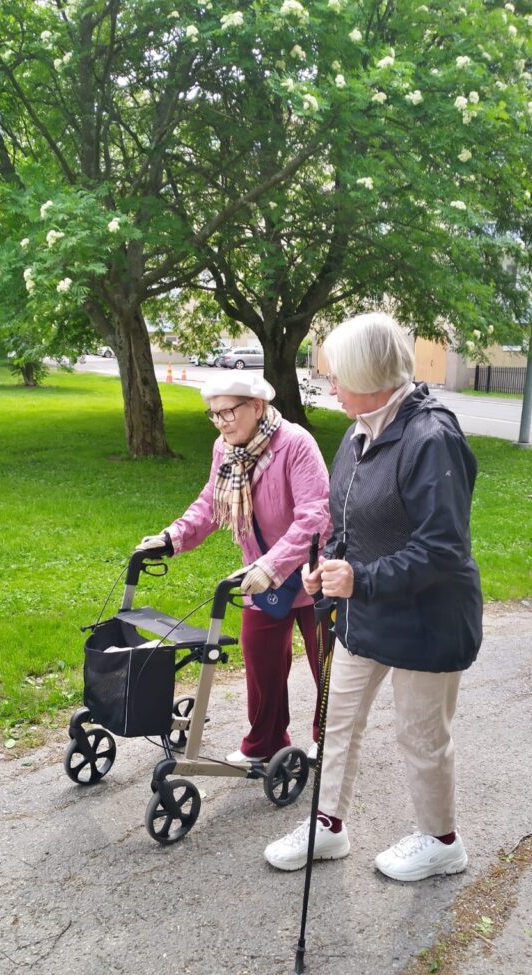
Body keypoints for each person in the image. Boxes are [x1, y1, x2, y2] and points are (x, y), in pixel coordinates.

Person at [264, 313, 483, 881]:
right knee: (337, 721)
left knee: (420, 735)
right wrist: (327, 565)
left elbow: (443, 549)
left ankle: (442, 842)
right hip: (367, 613)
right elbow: (343, 517)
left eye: (336, 376)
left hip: (428, 619)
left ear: (368, 373)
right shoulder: (361, 427)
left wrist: (360, 579)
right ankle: (328, 825)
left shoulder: (432, 438)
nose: (329, 387)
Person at [138, 370, 331, 763]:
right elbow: (211, 503)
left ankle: (330, 740)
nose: (221, 422)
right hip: (261, 577)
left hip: (313, 575)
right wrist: (172, 537)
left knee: (327, 668)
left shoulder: (296, 444)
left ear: (257, 407)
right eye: (214, 414)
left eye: (229, 412)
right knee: (261, 664)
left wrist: (273, 565)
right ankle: (266, 743)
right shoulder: (224, 449)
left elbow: (315, 517)